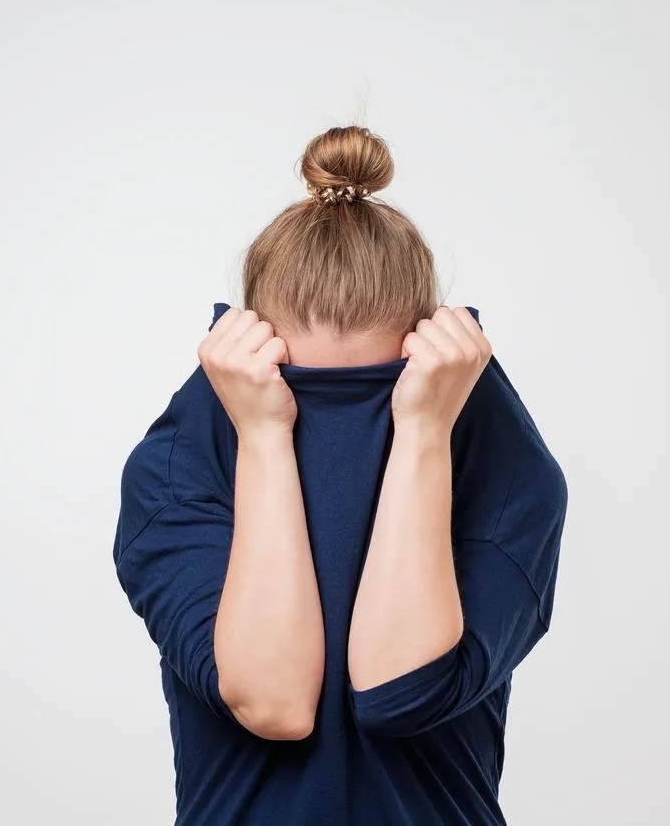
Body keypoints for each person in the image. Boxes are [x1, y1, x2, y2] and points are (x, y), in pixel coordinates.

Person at [112, 126, 568, 825]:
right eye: (304, 394)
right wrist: (264, 435)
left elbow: (401, 692)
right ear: (242, 364)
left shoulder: (505, 472)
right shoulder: (177, 470)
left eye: (375, 396)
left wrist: (422, 431)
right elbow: (274, 702)